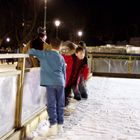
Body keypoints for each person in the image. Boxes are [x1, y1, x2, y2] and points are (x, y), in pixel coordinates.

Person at [28, 38, 66, 137]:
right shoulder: (61, 57)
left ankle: (53, 126)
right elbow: (64, 72)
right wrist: (63, 82)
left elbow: (31, 51)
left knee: (51, 104)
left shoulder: (45, 54)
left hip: (50, 83)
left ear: (50, 45)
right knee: (60, 104)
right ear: (60, 47)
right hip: (60, 82)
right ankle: (60, 126)